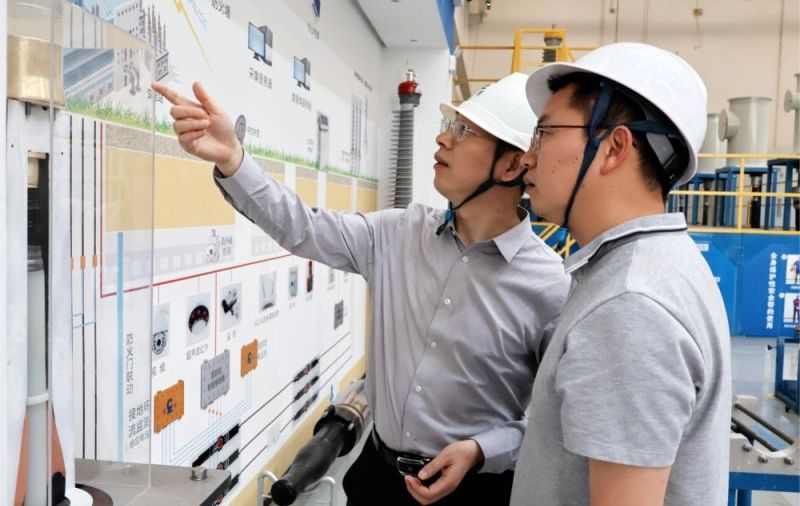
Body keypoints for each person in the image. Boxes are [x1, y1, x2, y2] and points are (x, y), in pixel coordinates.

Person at [152, 73, 569, 506]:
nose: (443, 139)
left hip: (476, 492)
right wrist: (233, 159)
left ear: (512, 165)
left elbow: (556, 426)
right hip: (377, 482)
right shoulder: (398, 234)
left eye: (464, 132)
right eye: (450, 125)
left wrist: (484, 449)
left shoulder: (549, 286)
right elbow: (303, 227)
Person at [509, 42, 732, 506]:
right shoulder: (654, 264)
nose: (527, 158)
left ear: (613, 148)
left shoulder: (629, 303)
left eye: (544, 133)